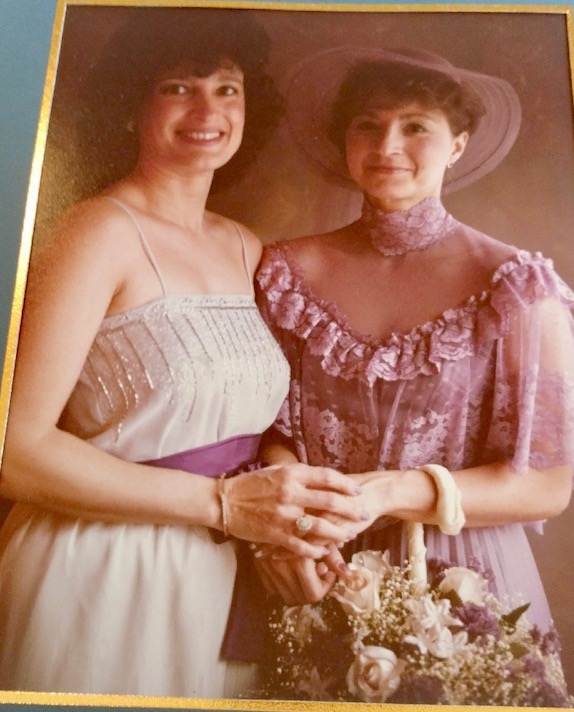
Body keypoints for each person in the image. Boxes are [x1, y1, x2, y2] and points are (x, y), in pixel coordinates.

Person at [0, 14, 365, 698]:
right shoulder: (94, 232)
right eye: (178, 87)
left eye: (227, 89)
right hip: (107, 571)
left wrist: (286, 522)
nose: (207, 111)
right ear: (130, 106)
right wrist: (221, 503)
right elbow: (15, 450)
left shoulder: (245, 245)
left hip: (223, 573)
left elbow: (256, 426)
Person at [255, 46, 574, 632]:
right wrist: (294, 528)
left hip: (464, 580)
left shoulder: (515, 285)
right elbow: (266, 432)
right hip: (317, 564)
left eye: (416, 127)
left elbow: (546, 488)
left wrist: (388, 493)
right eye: (368, 125)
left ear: (457, 145)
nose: (387, 146)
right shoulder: (286, 273)